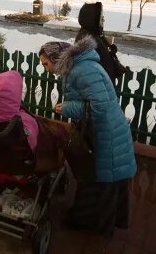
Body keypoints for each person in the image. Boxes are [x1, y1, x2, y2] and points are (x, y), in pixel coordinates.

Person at [39, 38, 136, 240]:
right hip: (102, 131)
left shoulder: (83, 70)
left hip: (107, 133)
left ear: (56, 58)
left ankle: (93, 226)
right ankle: (92, 221)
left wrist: (68, 108)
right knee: (99, 179)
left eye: (46, 63)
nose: (45, 68)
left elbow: (99, 107)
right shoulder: (78, 67)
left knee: (103, 181)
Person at [75, 2, 125, 85]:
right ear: (92, 19)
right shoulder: (86, 39)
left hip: (102, 88)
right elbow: (87, 72)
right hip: (97, 91)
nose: (103, 20)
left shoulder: (94, 35)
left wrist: (109, 50)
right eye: (101, 18)